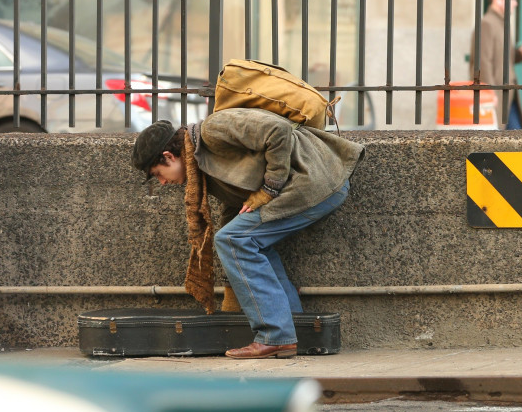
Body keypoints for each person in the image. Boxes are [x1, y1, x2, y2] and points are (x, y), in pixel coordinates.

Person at [131, 108, 364, 359]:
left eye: (157, 174)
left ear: (168, 155)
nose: (163, 183)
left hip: (315, 182)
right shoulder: (202, 164)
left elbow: (278, 131)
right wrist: (234, 272)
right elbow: (237, 208)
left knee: (233, 240)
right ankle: (299, 331)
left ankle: (275, 336)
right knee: (240, 239)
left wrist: (269, 188)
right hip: (310, 187)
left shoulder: (212, 130)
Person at [470, 0, 522, 130]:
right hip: (497, 96)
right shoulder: (487, 24)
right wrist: (490, 93)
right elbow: (482, 62)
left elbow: (503, 59)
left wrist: (519, 54)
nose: (515, 3)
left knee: (515, 142)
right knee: (512, 144)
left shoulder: (502, 24)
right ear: (497, 0)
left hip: (508, 95)